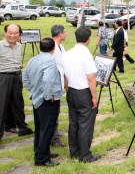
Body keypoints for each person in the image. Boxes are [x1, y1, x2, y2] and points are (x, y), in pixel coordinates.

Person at [63, 26, 101, 162]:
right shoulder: (86, 54)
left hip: (71, 91)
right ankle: (85, 155)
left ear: (75, 37)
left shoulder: (67, 53)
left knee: (73, 123)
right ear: (89, 38)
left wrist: (68, 89)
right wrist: (94, 97)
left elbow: (65, 75)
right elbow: (91, 77)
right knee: (85, 124)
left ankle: (74, 152)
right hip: (83, 92)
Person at [23, 38, 63, 167]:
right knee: (47, 129)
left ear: (40, 48)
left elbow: (24, 75)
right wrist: (48, 95)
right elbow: (47, 79)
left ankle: (40, 151)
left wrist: (32, 90)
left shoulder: (33, 59)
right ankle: (42, 160)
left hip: (37, 99)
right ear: (54, 49)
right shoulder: (50, 61)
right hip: (47, 100)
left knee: (40, 127)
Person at [0, 24, 34, 140]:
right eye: (10, 32)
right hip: (3, 76)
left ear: (20, 35)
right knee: (2, 104)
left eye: (15, 33)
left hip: (16, 76)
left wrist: (18, 65)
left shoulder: (19, 46)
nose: (12, 36)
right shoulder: (0, 45)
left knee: (18, 103)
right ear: (5, 33)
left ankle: (21, 127)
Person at [50, 25, 67, 148]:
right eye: (65, 32)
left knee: (56, 112)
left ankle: (54, 134)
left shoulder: (61, 47)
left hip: (59, 84)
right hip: (52, 86)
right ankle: (54, 139)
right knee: (52, 113)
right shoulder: (51, 47)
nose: (66, 34)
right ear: (60, 34)